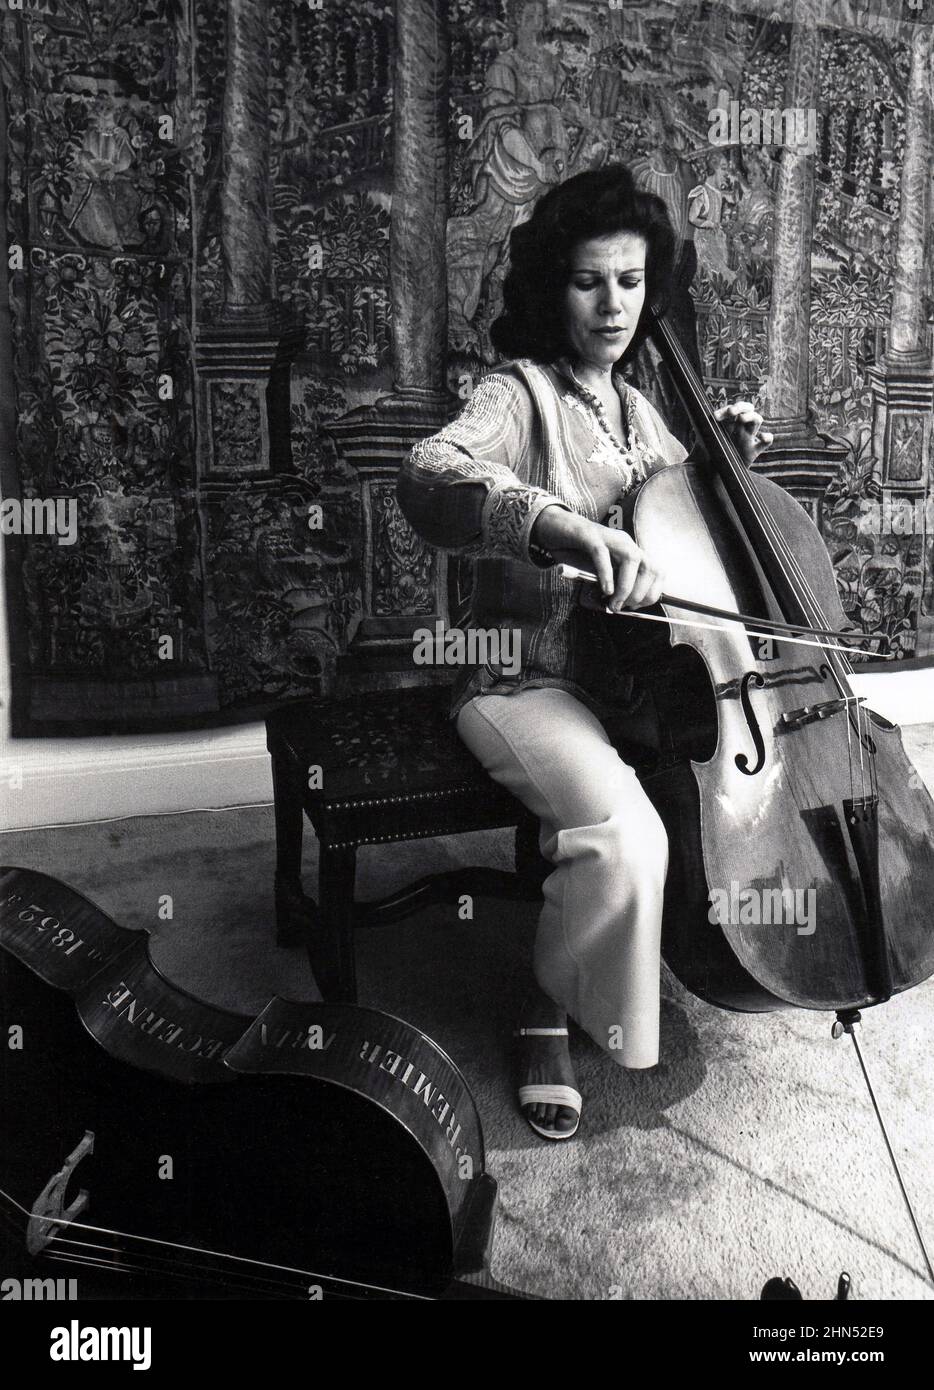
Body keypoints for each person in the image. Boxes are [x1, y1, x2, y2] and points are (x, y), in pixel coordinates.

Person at [396, 165, 772, 1141]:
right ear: (549, 288)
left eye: (632, 281)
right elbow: (429, 473)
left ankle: (640, 952)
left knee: (687, 815)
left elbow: (687, 541)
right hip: (520, 675)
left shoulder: (643, 414)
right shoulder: (514, 393)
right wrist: (560, 527)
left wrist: (725, 471)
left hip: (635, 681)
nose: (613, 305)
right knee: (629, 834)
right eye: (588, 281)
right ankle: (541, 1010)